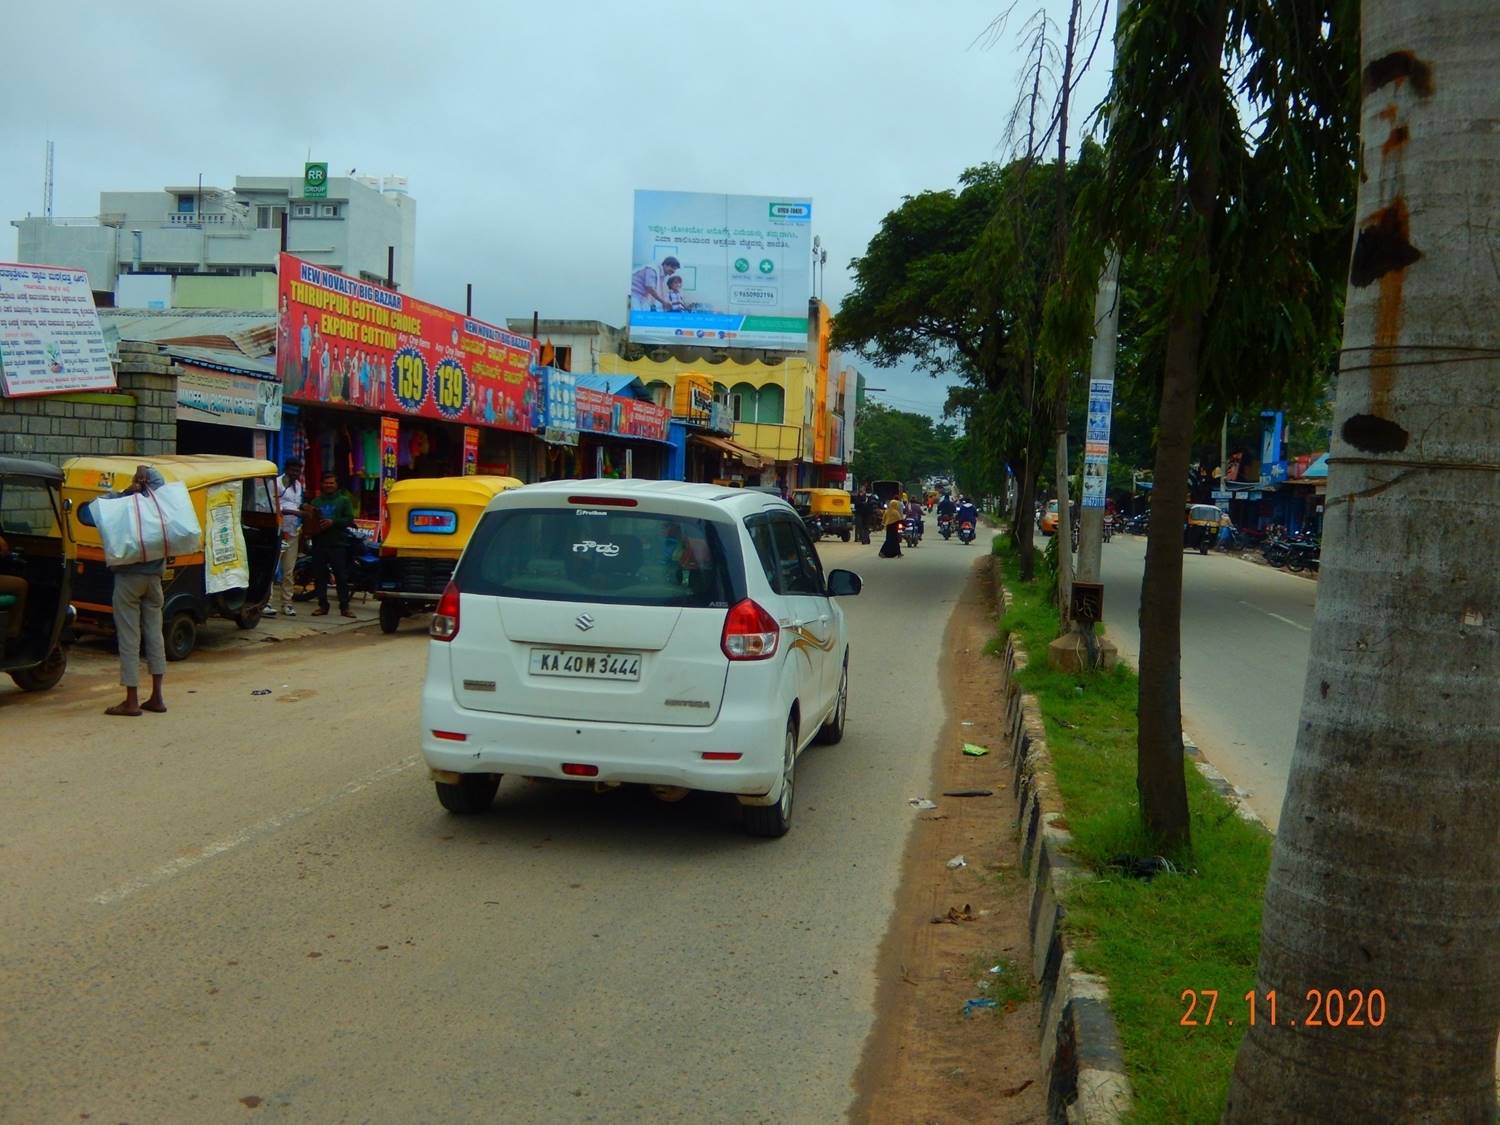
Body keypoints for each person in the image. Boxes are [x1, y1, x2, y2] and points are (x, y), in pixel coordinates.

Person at [91, 465, 169, 717]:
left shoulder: (125, 504)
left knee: (129, 638)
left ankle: (132, 701)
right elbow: (157, 482)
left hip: (128, 579)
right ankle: (157, 696)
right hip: (154, 579)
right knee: (155, 635)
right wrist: (145, 481)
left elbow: (97, 506)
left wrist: (127, 492)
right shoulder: (161, 505)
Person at [307, 472, 355, 618]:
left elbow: (349, 519)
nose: (328, 485)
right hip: (319, 543)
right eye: (326, 483)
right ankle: (322, 605)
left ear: (337, 485)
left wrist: (333, 522)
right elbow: (309, 520)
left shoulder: (344, 501)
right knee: (320, 576)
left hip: (338, 543)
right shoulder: (316, 502)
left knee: (341, 576)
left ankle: (345, 607)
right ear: (322, 484)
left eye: (331, 483)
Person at [266, 457, 304, 618]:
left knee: (288, 570)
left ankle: (287, 603)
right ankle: (266, 602)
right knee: (272, 569)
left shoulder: (299, 486)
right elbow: (272, 506)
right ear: (286, 469)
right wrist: (293, 512)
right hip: (278, 531)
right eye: (293, 470)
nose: (295, 473)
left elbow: (297, 504)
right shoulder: (276, 484)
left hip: (293, 532)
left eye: (298, 470)